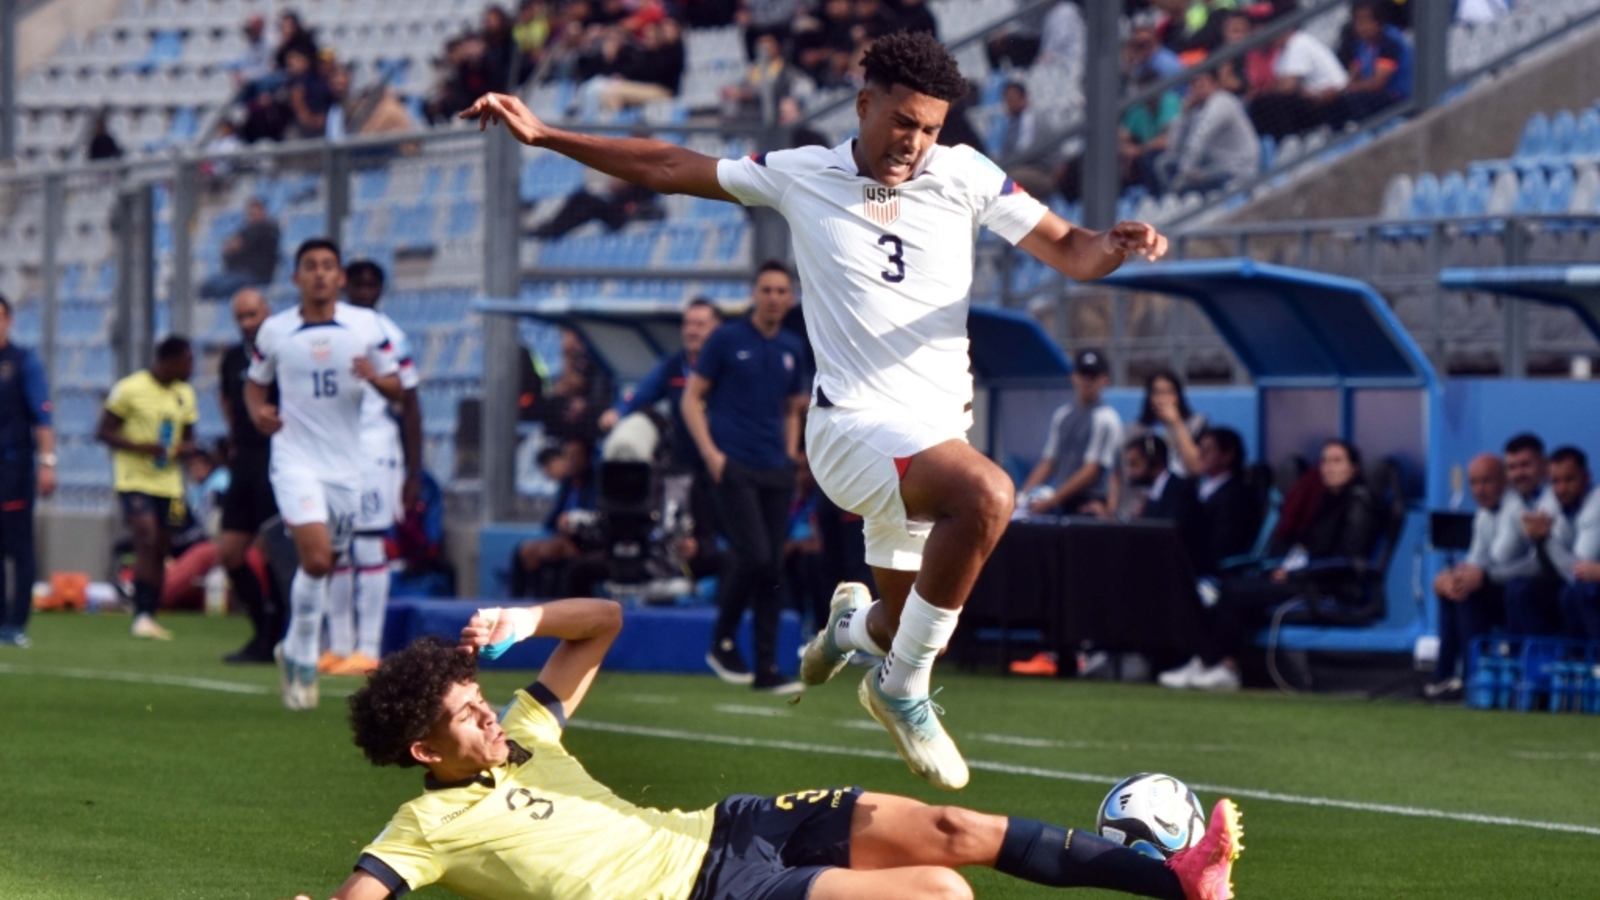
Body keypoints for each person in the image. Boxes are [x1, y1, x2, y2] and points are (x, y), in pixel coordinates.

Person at [461, 29, 1167, 791]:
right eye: (902, 122)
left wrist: (1115, 246)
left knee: (907, 624)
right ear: (864, 105)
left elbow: (1072, 250)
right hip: (853, 431)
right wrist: (546, 135)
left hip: (933, 439)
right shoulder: (801, 174)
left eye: (930, 128)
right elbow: (668, 165)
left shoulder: (966, 175)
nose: (915, 142)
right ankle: (899, 690)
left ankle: (851, 630)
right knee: (989, 495)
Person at [284, 602, 1245, 900]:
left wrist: (524, 620)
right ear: (423, 750)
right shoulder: (428, 821)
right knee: (936, 895)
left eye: (479, 696)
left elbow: (602, 625)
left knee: (954, 829)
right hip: (703, 896)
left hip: (730, 826)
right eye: (465, 713)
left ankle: (1184, 883)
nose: (489, 714)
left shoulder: (527, 733)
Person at [244, 238, 403, 710]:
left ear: (339, 278)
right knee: (315, 560)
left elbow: (400, 387)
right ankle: (306, 655)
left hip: (346, 467)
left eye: (327, 266)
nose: (318, 274)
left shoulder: (367, 327)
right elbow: (253, 387)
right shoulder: (275, 331)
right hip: (294, 460)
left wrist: (375, 377)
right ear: (296, 278)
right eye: (310, 266)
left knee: (326, 563)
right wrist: (259, 414)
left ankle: (294, 645)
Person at [681, 262, 809, 694]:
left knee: (773, 565)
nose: (774, 297)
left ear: (790, 298)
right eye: (766, 289)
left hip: (776, 468)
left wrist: (791, 455)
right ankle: (722, 639)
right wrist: (711, 454)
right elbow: (691, 399)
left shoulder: (793, 345)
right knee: (754, 554)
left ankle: (767, 668)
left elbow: (795, 406)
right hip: (734, 465)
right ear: (754, 294)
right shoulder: (727, 338)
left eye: (781, 291)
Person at [1161, 438, 1375, 692]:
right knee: (1232, 590)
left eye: (1337, 461)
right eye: (1325, 461)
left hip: (1326, 588)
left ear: (1354, 468)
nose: (1329, 467)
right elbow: (1307, 547)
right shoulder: (1325, 500)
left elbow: (1345, 558)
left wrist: (1299, 571)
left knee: (1238, 594)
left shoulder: (1358, 503)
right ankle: (1219, 663)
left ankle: (1211, 662)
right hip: (1302, 578)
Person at [319, 260, 423, 678]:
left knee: (367, 545)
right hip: (335, 452)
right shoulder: (331, 330)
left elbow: (410, 401)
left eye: (371, 283)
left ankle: (369, 647)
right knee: (338, 548)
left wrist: (414, 471)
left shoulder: (387, 334)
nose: (363, 289)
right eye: (356, 282)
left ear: (381, 289)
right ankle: (340, 645)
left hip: (374, 451)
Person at [97, 336, 198, 641]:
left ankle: (150, 612)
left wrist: (181, 450)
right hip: (134, 479)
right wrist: (140, 446)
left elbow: (191, 439)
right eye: (187, 360)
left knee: (161, 546)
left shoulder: (185, 394)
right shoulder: (130, 389)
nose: (191, 367)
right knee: (146, 536)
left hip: (169, 484)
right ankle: (140, 613)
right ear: (169, 360)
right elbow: (104, 431)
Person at [217, 288, 284, 663]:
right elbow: (228, 401)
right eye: (240, 317)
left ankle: (280, 634)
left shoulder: (282, 353)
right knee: (230, 552)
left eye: (252, 315)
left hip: (276, 458)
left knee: (275, 550)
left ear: (267, 313)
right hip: (244, 461)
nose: (247, 323)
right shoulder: (231, 358)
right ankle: (261, 630)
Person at [1426, 453, 1508, 700]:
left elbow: (1499, 560)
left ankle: (1473, 678)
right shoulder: (1484, 515)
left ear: (1504, 481)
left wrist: (1471, 576)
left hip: (1519, 590)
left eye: (1487, 481)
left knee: (1468, 593)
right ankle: (1445, 678)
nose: (1479, 489)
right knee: (1454, 590)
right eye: (1474, 482)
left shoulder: (1514, 509)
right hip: (1496, 585)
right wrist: (1449, 578)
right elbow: (1476, 561)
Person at [0, 294, 56, 648]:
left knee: (19, 547)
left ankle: (16, 623)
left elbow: (43, 416)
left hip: (14, 468)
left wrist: (47, 463)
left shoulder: (23, 363)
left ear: (9, 320)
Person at [1019, 349, 1124, 518]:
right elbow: (1049, 461)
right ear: (1074, 376)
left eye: (1093, 376)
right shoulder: (1063, 415)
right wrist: (1022, 496)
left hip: (1089, 503)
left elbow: (1092, 470)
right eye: (1083, 374)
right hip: (1063, 501)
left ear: (1104, 380)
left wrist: (1051, 501)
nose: (1087, 381)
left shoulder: (1106, 418)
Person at [1493, 433, 1563, 636]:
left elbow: (1542, 565)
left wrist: (1487, 575)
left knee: (1519, 589)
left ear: (1544, 465)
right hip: (1522, 580)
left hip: (1560, 581)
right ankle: (1465, 666)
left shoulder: (1556, 498)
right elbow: (1499, 556)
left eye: (1525, 465)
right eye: (1512, 467)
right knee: (1463, 592)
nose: (1518, 473)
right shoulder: (1512, 501)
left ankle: (1534, 659)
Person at [1150, 67, 1259, 196]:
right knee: (1163, 164)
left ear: (1214, 85)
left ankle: (1178, 204)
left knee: (1188, 182)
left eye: (1202, 84)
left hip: (1235, 167)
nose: (1197, 89)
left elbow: (1199, 140)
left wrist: (1184, 175)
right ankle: (1172, 202)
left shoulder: (1221, 103)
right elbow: (1174, 148)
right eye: (1193, 85)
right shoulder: (1196, 109)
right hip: (1210, 163)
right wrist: (1184, 115)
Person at [1538, 447, 1600, 640]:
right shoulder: (1551, 505)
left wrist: (1544, 539)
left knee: (1577, 592)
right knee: (1520, 589)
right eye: (1555, 481)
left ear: (1586, 477)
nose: (1562, 488)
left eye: (1569, 479)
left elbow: (1578, 569)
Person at [1246, 28, 1348, 140]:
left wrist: (1264, 91)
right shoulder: (1282, 52)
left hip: (1333, 99)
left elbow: (1287, 87)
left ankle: (1291, 139)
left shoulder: (1298, 42)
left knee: (1275, 103)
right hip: (1312, 98)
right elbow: (1279, 84)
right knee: (1261, 105)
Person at [1190, 427, 1259, 577]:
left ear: (1228, 455)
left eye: (1208, 449)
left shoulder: (1235, 495)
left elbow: (1222, 545)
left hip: (1214, 573)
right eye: (1200, 448)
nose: (1201, 454)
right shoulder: (1201, 488)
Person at [1331, 0, 1411, 128]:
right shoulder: (1360, 46)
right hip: (1375, 95)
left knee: (1356, 99)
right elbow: (1353, 75)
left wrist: (1350, 88)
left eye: (1366, 21)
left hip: (1397, 96)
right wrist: (1341, 90)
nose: (1362, 27)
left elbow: (1377, 84)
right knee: (1336, 102)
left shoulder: (1389, 41)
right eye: (1358, 22)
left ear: (1378, 21)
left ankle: (1367, 132)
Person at [1125, 369, 1207, 478]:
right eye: (1157, 392)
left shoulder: (1197, 423)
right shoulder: (1135, 429)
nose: (1163, 399)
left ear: (1178, 396)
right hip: (1144, 491)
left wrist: (1177, 423)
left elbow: (1196, 467)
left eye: (1169, 392)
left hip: (1185, 490)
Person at [200, 199, 282, 299]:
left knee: (221, 288)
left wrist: (236, 245)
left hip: (256, 275)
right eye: (250, 214)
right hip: (236, 272)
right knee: (206, 286)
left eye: (255, 213)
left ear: (263, 212)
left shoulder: (269, 229)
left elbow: (237, 244)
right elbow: (228, 247)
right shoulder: (245, 229)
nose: (252, 216)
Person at [990, 81, 1037, 159]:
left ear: (1023, 99)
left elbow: (1025, 149)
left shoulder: (1035, 121)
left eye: (1012, 99)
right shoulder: (1011, 124)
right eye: (1007, 100)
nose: (1008, 104)